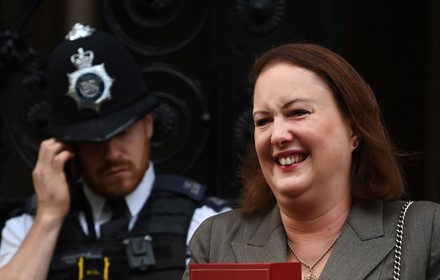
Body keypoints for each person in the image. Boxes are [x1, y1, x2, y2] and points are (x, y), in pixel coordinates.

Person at [182, 43, 440, 280]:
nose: (278, 135)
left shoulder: (425, 233)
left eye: (298, 113)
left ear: (354, 131)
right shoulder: (217, 240)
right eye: (263, 120)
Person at [0, 23, 230, 280]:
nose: (111, 153)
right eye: (91, 141)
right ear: (66, 147)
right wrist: (49, 219)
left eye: (122, 133)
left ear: (148, 125)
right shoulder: (26, 229)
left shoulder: (205, 224)